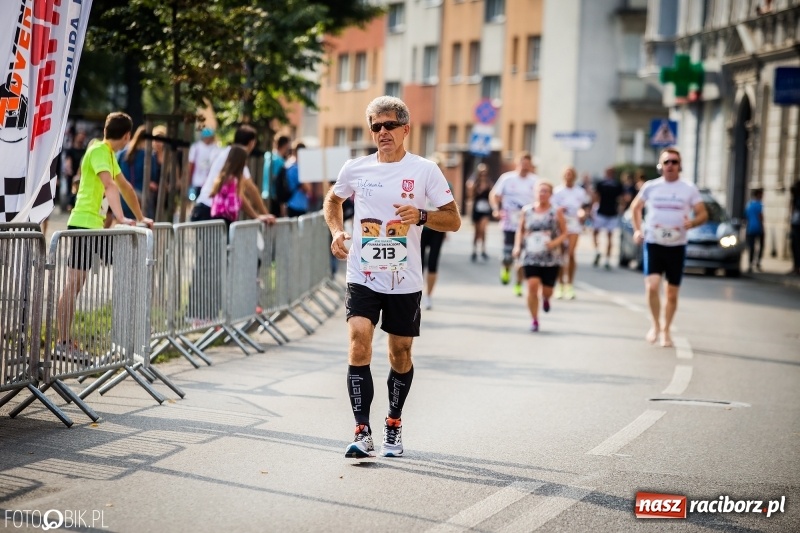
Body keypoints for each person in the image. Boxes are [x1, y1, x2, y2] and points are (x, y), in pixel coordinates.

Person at [323, 95, 461, 459]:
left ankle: (394, 423)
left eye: (389, 125)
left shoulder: (425, 170)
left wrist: (422, 216)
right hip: (363, 272)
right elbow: (333, 200)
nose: (382, 132)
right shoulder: (356, 168)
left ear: (405, 129)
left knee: (400, 352)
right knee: (358, 340)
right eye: (376, 126)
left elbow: (454, 219)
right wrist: (337, 232)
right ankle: (361, 430)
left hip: (405, 278)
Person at [55, 112, 154, 360]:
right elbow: (110, 185)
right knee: (74, 284)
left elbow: (125, 187)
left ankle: (67, 341)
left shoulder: (108, 154)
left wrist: (140, 217)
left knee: (78, 284)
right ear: (127, 135)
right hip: (83, 224)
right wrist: (121, 218)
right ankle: (62, 342)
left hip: (92, 225)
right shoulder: (99, 151)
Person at [630, 148, 707, 348]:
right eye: (666, 162)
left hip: (676, 246)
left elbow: (702, 214)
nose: (670, 165)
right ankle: (655, 325)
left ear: (679, 165)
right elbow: (635, 207)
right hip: (654, 243)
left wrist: (693, 223)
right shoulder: (651, 187)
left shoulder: (689, 188)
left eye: (674, 162)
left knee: (671, 293)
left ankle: (666, 330)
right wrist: (638, 230)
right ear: (660, 166)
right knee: (652, 286)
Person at [190, 125, 275, 225]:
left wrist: (258, 215)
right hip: (212, 212)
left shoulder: (227, 152)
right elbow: (249, 190)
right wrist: (261, 215)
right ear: (252, 143)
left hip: (204, 207)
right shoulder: (236, 157)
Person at [513, 180, 567, 332]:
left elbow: (564, 232)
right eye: (540, 191)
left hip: (551, 257)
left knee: (547, 290)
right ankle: (534, 319)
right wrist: (517, 247)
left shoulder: (556, 211)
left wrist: (554, 243)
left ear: (550, 194)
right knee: (532, 286)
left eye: (545, 191)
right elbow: (520, 230)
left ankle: (546, 299)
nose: (542, 194)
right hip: (530, 254)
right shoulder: (527, 210)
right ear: (535, 193)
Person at [489, 152, 538, 297]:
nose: (525, 166)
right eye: (522, 163)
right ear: (518, 163)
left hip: (527, 223)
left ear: (531, 165)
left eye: (527, 164)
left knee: (523, 256)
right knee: (508, 255)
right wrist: (496, 209)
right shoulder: (507, 178)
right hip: (509, 221)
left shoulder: (535, 181)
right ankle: (505, 267)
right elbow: (494, 195)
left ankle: (518, 284)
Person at [552, 166, 591, 299]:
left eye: (571, 174)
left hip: (574, 224)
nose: (568, 177)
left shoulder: (579, 192)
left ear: (574, 176)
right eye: (566, 174)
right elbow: (553, 208)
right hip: (561, 224)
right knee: (560, 255)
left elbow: (584, 207)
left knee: (571, 253)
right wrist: (559, 211)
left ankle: (569, 284)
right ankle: (560, 284)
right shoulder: (557, 191)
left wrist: (582, 214)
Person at [420, 153, 451, 310]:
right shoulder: (419, 182)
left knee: (433, 263)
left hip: (437, 229)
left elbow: (450, 211)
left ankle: (429, 295)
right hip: (420, 228)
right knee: (418, 262)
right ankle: (416, 293)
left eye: (438, 167)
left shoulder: (446, 185)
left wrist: (447, 229)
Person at [117, 125, 164, 220]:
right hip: (141, 198)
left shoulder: (122, 153)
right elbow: (153, 176)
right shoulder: (148, 156)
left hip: (122, 196)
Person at [592, 167, 624, 269]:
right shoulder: (601, 183)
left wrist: (620, 208)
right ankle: (598, 252)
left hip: (611, 213)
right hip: (602, 212)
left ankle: (607, 259)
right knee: (596, 232)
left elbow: (621, 198)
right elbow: (596, 196)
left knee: (609, 236)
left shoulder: (617, 184)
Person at [466, 163, 493, 262]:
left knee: (483, 229)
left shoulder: (489, 183)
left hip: (485, 209)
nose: (483, 174)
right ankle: (474, 250)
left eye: (485, 172)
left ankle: (483, 249)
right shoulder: (474, 183)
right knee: (476, 231)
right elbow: (470, 196)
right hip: (476, 209)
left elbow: (492, 195)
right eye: (481, 172)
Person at [188, 127, 221, 202]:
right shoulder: (196, 147)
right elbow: (191, 164)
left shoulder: (216, 149)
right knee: (194, 200)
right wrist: (189, 178)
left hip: (210, 182)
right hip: (196, 181)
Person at [262, 135, 292, 216]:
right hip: (275, 197)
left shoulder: (269, 156)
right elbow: (277, 180)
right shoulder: (279, 160)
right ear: (285, 145)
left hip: (265, 193)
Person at [284, 141, 311, 217]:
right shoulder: (297, 168)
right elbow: (307, 188)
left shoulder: (288, 165)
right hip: (297, 204)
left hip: (290, 202)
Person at [744, 188, 765, 273]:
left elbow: (746, 217)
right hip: (758, 228)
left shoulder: (749, 204)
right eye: (761, 195)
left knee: (751, 247)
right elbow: (760, 216)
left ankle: (750, 264)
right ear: (758, 195)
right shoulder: (759, 204)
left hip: (750, 229)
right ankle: (758, 262)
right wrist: (762, 227)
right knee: (761, 246)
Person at [791, 180, 800, 276]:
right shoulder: (795, 198)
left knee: (796, 247)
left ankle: (797, 267)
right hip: (795, 224)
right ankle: (796, 267)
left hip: (797, 225)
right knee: (794, 246)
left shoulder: (797, 200)